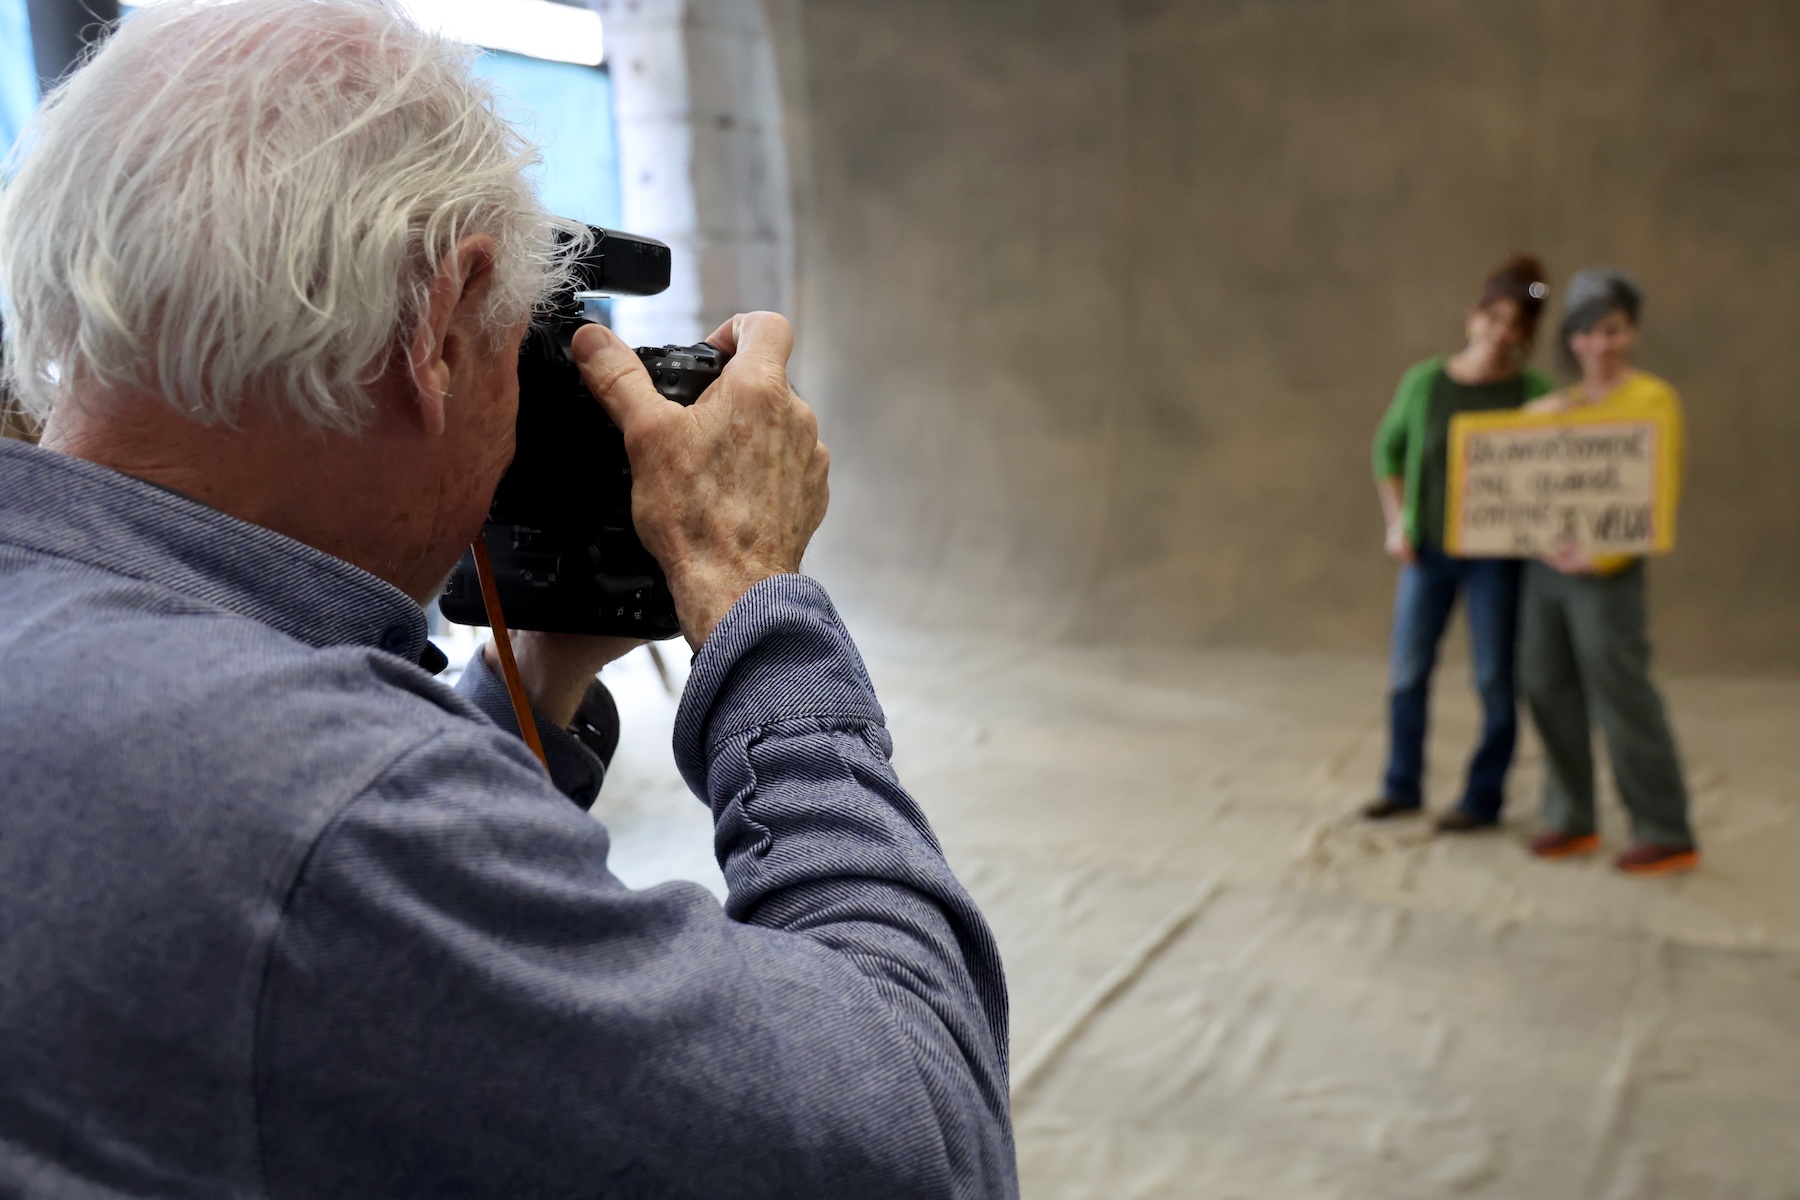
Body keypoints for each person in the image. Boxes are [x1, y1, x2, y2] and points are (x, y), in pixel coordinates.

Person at [0, 2, 1017, 1196]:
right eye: (510, 349)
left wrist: (534, 684)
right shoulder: (331, 808)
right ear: (437, 334)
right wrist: (756, 603)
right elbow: (920, 1133)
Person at [1364, 255, 1556, 831]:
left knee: (1495, 678)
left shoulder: (1532, 389)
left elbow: (1556, 461)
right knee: (1407, 672)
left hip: (1495, 560)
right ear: (1474, 317)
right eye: (1494, 319)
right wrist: (1397, 522)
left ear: (1526, 336)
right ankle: (1401, 786)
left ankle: (1483, 797)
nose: (1502, 334)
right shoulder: (1426, 381)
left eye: (1516, 326)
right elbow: (1387, 452)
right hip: (1427, 554)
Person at [1517, 269, 1698, 875]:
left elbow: (1658, 488)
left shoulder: (1652, 399)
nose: (1601, 344)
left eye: (1613, 330)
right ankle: (1571, 818)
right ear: (1572, 339)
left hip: (1607, 571)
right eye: (1588, 332)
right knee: (1544, 684)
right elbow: (1522, 484)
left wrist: (1603, 556)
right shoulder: (1555, 405)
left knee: (1621, 693)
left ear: (1632, 332)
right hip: (1547, 567)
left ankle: (1665, 828)